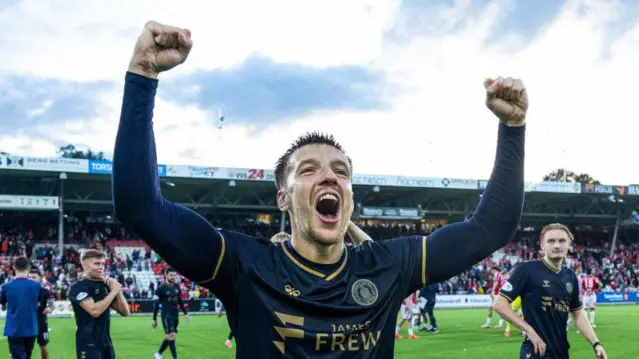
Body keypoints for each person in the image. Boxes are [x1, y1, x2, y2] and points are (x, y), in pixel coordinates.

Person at [112, 20, 527, 358]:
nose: (330, 177)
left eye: (341, 171)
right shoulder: (243, 264)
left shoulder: (389, 265)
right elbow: (139, 206)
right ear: (283, 198)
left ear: (349, 197)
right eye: (308, 170)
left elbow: (492, 227)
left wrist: (513, 128)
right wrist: (143, 75)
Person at [494, 223, 608, 359]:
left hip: (561, 352)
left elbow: (577, 313)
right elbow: (499, 303)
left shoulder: (570, 277)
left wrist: (596, 344)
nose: (556, 245)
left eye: (562, 241)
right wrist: (528, 330)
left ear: (569, 245)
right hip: (535, 351)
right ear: (542, 245)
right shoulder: (527, 270)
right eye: (551, 241)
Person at [68, 249, 130, 359]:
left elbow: (125, 312)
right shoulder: (78, 287)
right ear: (85, 265)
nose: (101, 267)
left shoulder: (104, 286)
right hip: (88, 343)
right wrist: (114, 291)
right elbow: (94, 311)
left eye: (103, 264)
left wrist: (118, 291)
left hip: (106, 342)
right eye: (97, 263)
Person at [0, 256, 41, 359]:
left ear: (14, 267)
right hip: (31, 328)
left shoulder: (6, 287)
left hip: (14, 329)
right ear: (29, 267)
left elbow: (3, 307)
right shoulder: (37, 286)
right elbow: (39, 304)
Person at [153, 268, 191, 359]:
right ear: (166, 275)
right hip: (166, 315)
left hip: (175, 315)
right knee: (171, 336)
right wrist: (154, 319)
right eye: (171, 275)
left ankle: (158, 354)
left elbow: (180, 301)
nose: (173, 277)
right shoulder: (160, 289)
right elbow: (156, 305)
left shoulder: (176, 287)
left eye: (174, 275)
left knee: (171, 337)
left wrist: (186, 313)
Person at [28, 271, 53, 359]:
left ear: (40, 279)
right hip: (27, 322)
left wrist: (50, 308)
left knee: (43, 346)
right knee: (27, 348)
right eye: (30, 277)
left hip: (41, 322)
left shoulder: (44, 291)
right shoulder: (25, 291)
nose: (31, 279)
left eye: (34, 277)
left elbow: (51, 303)